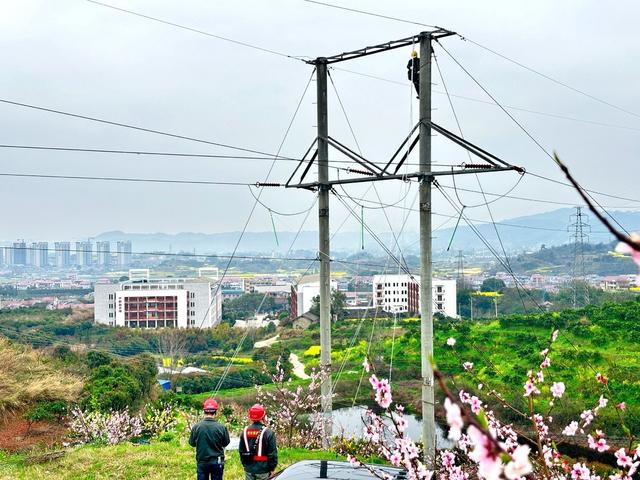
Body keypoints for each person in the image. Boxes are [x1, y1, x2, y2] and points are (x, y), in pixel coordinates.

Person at [189, 398, 230, 480]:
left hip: (202, 461)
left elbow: (192, 443)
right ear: (215, 411)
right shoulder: (221, 427)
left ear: (204, 411)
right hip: (217, 462)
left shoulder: (196, 427)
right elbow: (226, 443)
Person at [239, 404, 278, 480]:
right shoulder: (268, 432)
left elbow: (241, 451)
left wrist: (245, 465)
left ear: (250, 417)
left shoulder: (245, 431)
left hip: (249, 469)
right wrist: (272, 468)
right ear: (263, 416)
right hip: (263, 470)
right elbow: (272, 454)